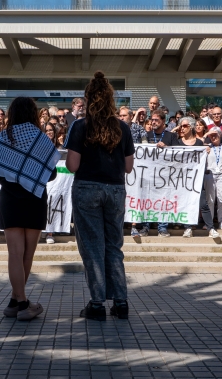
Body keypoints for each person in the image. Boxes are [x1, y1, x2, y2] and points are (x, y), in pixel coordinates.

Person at [65, 71, 134, 321]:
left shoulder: (80, 126)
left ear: (89, 98)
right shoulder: (123, 128)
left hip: (87, 188)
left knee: (93, 247)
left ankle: (97, 304)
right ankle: (121, 301)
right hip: (115, 188)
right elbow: (128, 167)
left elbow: (72, 165)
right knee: (114, 246)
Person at [0, 97, 59, 321]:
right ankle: (22, 303)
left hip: (10, 200)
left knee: (14, 254)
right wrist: (30, 173)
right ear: (32, 113)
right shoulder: (42, 139)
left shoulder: (2, 138)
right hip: (35, 200)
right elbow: (51, 173)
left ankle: (15, 300)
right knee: (27, 255)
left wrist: (15, 174)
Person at [138, 110, 177, 238]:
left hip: (164, 176)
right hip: (148, 175)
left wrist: (167, 148)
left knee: (163, 201)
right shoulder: (146, 135)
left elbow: (178, 154)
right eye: (152, 119)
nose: (153, 122)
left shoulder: (171, 137)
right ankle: (145, 227)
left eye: (156, 120)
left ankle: (163, 228)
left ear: (163, 121)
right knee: (146, 200)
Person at [204, 127, 222, 233]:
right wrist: (206, 138)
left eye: (216, 134)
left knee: (221, 198)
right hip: (210, 174)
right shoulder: (206, 147)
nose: (213, 137)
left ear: (220, 135)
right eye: (211, 135)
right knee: (210, 199)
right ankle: (209, 223)